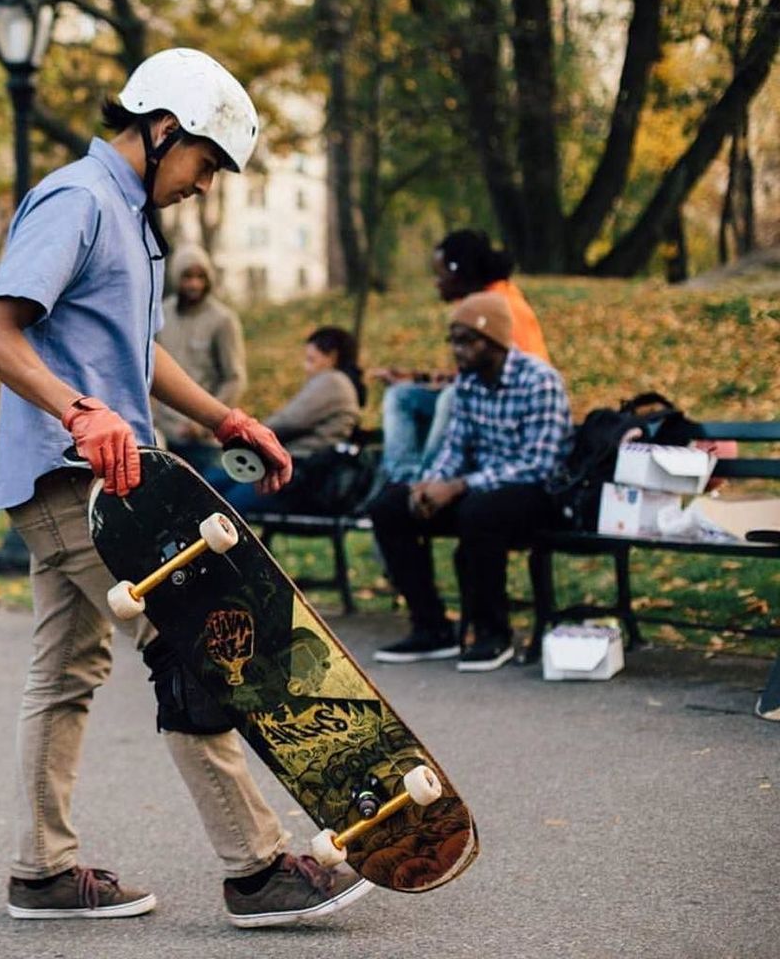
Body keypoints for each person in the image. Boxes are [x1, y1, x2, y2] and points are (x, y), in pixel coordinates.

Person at [0, 47, 373, 928]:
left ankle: (41, 871)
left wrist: (227, 418)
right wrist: (79, 411)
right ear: (160, 130)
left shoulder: (132, 219)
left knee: (66, 669)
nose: (205, 185)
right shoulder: (79, 200)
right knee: (192, 642)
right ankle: (257, 868)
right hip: (71, 476)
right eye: (205, 162)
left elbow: (137, 350)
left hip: (106, 479)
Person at [369, 291, 572, 670]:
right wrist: (430, 486)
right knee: (390, 506)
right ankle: (432, 628)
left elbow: (539, 464)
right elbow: (455, 447)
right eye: (453, 341)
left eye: (466, 341)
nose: (456, 351)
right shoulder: (468, 383)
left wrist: (460, 486)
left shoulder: (539, 381)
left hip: (536, 494)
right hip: (480, 489)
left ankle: (494, 634)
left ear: (493, 340)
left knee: (479, 512)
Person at [375, 229, 550, 484]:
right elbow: (469, 373)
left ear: (457, 271)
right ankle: (404, 480)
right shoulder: (473, 304)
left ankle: (426, 483)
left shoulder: (502, 306)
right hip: (475, 392)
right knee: (402, 396)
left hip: (506, 406)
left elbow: (506, 374)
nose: (436, 282)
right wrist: (416, 378)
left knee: (451, 397)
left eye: (439, 274)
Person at [211, 326, 364, 516]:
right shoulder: (341, 384)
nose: (306, 368)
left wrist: (250, 431)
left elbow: (289, 421)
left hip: (299, 476)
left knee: (222, 499)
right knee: (215, 485)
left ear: (332, 357)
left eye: (311, 360)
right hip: (302, 473)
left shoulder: (333, 382)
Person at [152, 242, 247, 471]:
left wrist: (206, 423)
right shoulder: (160, 315)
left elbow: (234, 378)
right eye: (188, 277)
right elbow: (149, 367)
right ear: (177, 278)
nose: (194, 284)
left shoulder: (222, 320)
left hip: (202, 440)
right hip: (163, 436)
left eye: (200, 277)